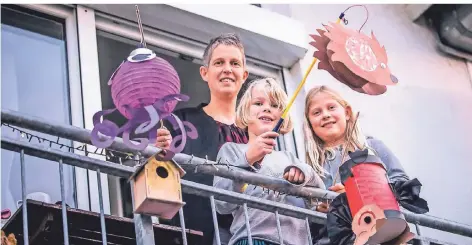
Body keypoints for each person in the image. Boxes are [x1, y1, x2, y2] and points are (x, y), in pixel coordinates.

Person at [155, 33, 250, 245]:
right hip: (195, 236)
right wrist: (160, 155)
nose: (227, 69)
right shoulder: (180, 122)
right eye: (219, 62)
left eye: (234, 63)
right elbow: (161, 184)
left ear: (244, 75)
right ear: (204, 73)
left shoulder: (256, 133)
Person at [302, 85, 428, 244]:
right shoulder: (313, 165)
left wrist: (356, 193)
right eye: (316, 112)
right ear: (310, 123)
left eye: (331, 107)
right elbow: (307, 207)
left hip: (382, 234)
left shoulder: (371, 146)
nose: (325, 115)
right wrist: (320, 208)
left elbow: (401, 182)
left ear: (347, 113)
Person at [213, 78, 326, 245]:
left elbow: (319, 196)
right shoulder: (233, 150)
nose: (267, 108)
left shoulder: (289, 158)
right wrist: (247, 159)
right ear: (245, 111)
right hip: (253, 239)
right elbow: (221, 203)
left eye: (274, 105)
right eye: (258, 103)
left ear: (282, 116)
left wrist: (304, 174)